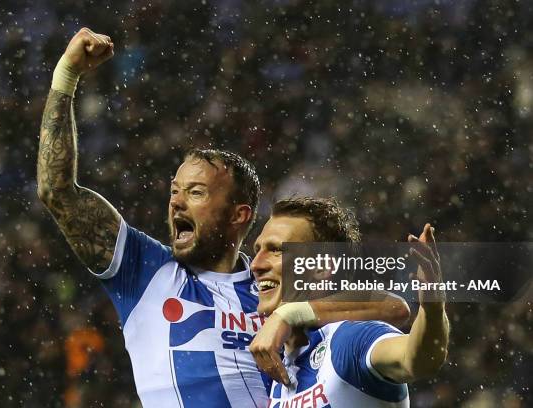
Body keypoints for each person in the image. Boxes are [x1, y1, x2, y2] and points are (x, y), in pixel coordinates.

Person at [37, 28, 410, 407]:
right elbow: (57, 192)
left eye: (196, 193)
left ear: (239, 214)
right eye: (174, 191)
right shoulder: (146, 271)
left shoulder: (273, 287)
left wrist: (292, 314)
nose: (177, 204)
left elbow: (393, 306)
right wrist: (66, 75)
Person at [250, 197, 450, 407]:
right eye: (257, 250)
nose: (256, 264)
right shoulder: (275, 374)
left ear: (321, 267)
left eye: (276, 250)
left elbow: (420, 358)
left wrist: (433, 307)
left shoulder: (349, 340)